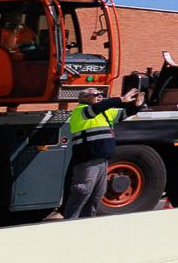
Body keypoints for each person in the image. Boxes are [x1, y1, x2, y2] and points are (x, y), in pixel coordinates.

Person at [49, 87, 137, 220]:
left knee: (97, 194)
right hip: (87, 161)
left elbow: (126, 113)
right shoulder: (81, 111)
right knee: (82, 192)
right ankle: (69, 223)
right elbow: (98, 108)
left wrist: (138, 104)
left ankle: (88, 223)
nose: (100, 96)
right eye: (96, 94)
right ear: (84, 98)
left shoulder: (104, 113)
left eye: (101, 94)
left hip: (102, 161)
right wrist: (120, 99)